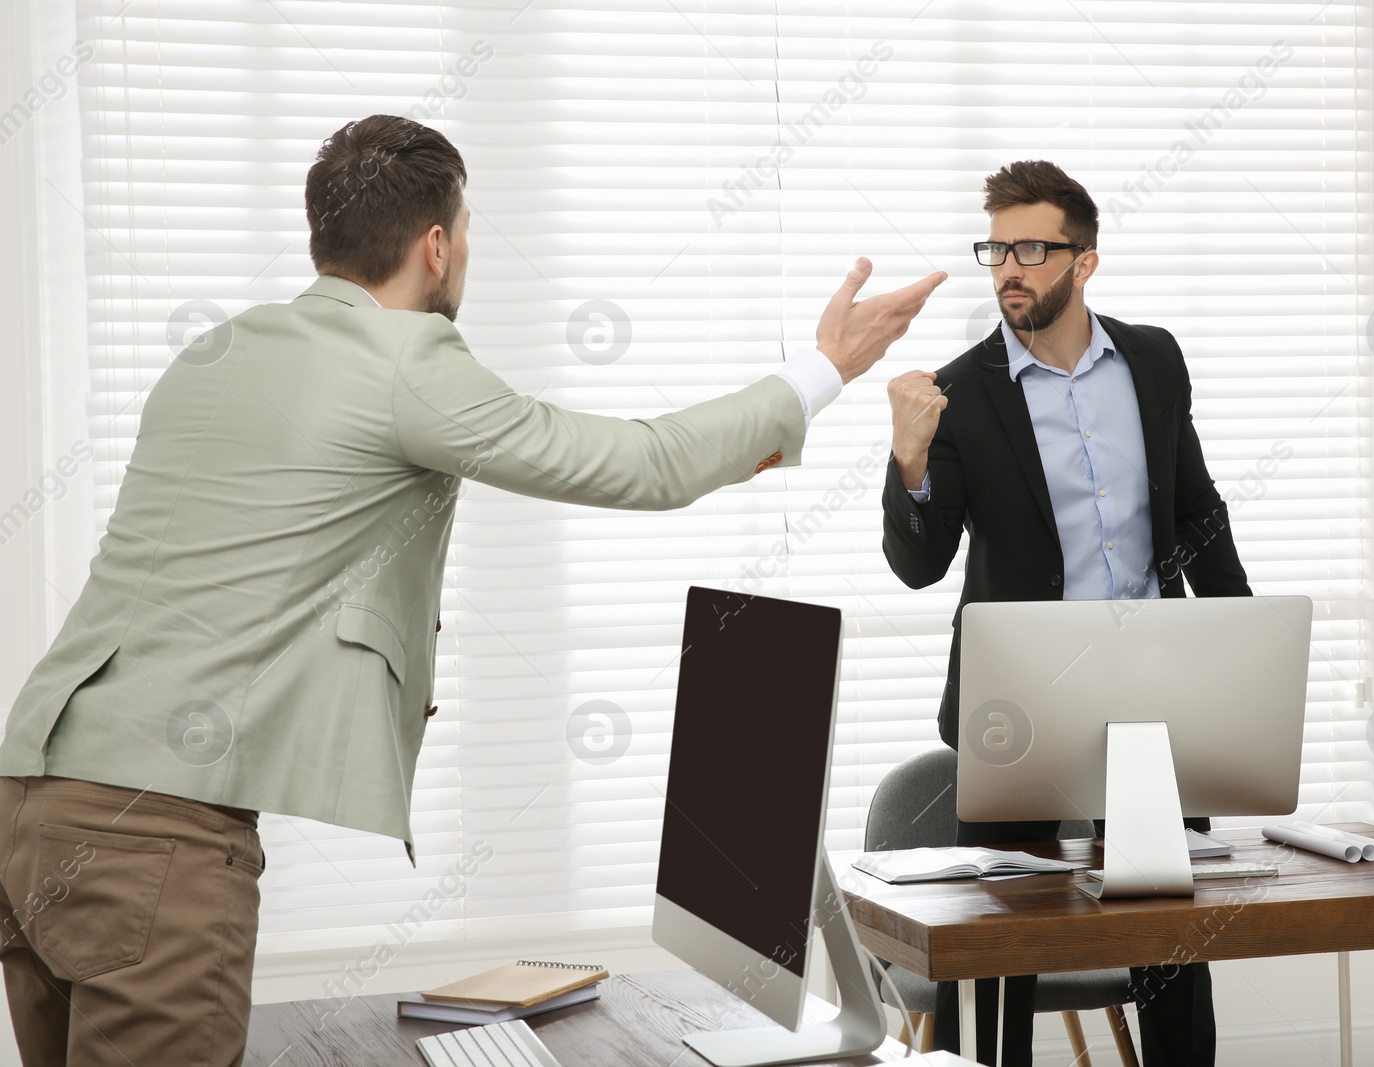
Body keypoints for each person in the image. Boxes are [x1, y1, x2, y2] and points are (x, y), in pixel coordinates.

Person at [0, 114, 945, 1066]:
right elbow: (646, 465)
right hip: (157, 840)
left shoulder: (218, 354)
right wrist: (827, 368)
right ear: (437, 245)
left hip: (33, 801)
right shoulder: (406, 359)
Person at [880, 159, 1250, 1067]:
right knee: (996, 947)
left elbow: (1196, 512)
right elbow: (919, 566)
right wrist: (910, 461)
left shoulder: (1154, 360)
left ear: (1084, 261)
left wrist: (1239, 641)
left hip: (1151, 696)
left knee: (1169, 944)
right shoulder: (962, 394)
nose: (1010, 267)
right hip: (1021, 708)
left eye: (1032, 248)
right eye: (997, 248)